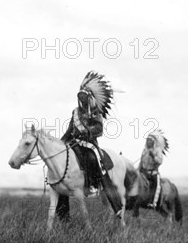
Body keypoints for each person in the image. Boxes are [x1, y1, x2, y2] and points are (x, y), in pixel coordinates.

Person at [56, 71, 123, 218]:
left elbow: (99, 129)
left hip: (89, 144)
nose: (82, 99)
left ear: (89, 97)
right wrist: (60, 143)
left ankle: (93, 184)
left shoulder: (95, 112)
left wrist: (88, 132)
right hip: (74, 143)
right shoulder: (75, 112)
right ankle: (63, 213)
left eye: (84, 97)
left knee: (92, 159)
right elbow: (69, 130)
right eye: (80, 97)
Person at [139, 131, 169, 209]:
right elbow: (141, 162)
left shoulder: (157, 151)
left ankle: (153, 202)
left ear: (153, 142)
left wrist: (153, 157)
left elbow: (160, 161)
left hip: (153, 173)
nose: (148, 142)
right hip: (143, 173)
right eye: (147, 140)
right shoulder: (144, 150)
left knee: (155, 185)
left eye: (150, 140)